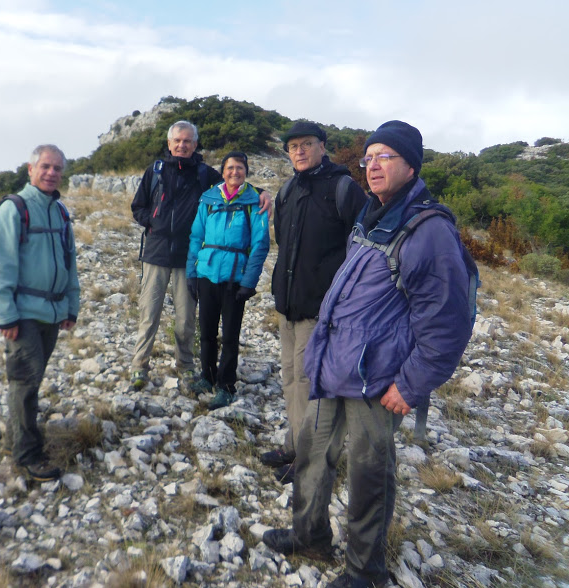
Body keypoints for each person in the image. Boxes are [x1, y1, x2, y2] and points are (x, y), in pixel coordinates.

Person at [263, 121, 476, 588]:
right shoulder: (374, 213)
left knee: (368, 474)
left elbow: (447, 322)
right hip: (335, 362)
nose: (373, 166)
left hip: (377, 379)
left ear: (411, 166)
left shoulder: (428, 229)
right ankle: (309, 536)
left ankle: (365, 571)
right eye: (369, 157)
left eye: (385, 157)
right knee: (312, 455)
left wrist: (412, 384)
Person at [262, 121, 367, 484]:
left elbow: (362, 250)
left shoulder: (343, 189)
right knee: (291, 379)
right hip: (288, 303)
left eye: (307, 144)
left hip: (321, 310)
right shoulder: (288, 189)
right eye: (293, 146)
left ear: (323, 146)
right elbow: (283, 243)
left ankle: (308, 458)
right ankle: (294, 445)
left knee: (309, 384)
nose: (300, 151)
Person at [130, 121, 271, 388]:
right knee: (149, 314)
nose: (182, 145)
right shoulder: (155, 171)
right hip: (156, 254)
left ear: (195, 145)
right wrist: (153, 222)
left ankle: (185, 366)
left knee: (185, 320)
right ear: (169, 144)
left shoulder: (205, 173)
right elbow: (138, 207)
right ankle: (139, 366)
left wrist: (263, 193)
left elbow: (234, 183)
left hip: (188, 257)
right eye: (177, 141)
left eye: (187, 141)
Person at [0, 144, 80, 482]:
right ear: (31, 169)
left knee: (32, 380)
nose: (52, 173)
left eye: (57, 168)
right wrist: (5, 315)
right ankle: (26, 455)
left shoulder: (60, 212)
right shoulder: (15, 210)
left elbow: (70, 265)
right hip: (23, 314)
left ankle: (21, 434)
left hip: (52, 313)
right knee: (24, 382)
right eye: (45, 167)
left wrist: (71, 306)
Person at [185, 151, 270, 409]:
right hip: (207, 274)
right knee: (207, 332)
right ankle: (207, 377)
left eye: (240, 168)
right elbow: (195, 237)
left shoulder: (254, 202)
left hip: (235, 278)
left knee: (230, 335)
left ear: (246, 172)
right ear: (223, 172)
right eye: (230, 168)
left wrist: (249, 282)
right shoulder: (208, 199)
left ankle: (226, 385)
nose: (235, 172)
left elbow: (260, 245)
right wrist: (191, 272)